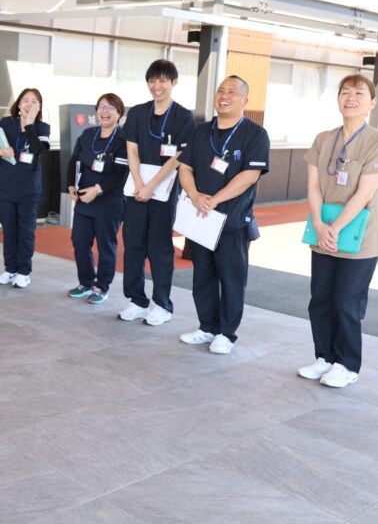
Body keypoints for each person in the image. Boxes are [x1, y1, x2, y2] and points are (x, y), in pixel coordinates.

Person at [299, 75, 378, 388]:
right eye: (344, 92)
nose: (350, 98)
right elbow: (313, 186)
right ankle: (325, 357)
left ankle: (347, 364)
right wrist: (318, 224)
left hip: (359, 237)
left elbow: (364, 193)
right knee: (320, 300)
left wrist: (334, 228)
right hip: (323, 231)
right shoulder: (323, 139)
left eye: (359, 93)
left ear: (372, 103)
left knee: (346, 303)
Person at [177, 76, 270, 355]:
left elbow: (250, 175)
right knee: (202, 275)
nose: (224, 96)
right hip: (201, 217)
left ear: (245, 100)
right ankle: (207, 326)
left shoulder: (255, 134)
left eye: (232, 91)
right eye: (220, 91)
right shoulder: (201, 131)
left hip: (232, 221)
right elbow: (185, 168)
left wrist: (214, 200)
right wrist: (195, 195)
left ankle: (226, 333)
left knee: (231, 280)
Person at [119, 59, 195, 325]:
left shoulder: (184, 116)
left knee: (160, 248)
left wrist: (151, 186)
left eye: (162, 80)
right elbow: (131, 149)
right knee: (133, 246)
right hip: (136, 190)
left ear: (174, 82)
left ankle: (162, 304)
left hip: (164, 192)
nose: (156, 86)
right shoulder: (138, 113)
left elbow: (179, 157)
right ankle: (137, 300)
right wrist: (139, 183)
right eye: (152, 80)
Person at [66, 93, 128, 304]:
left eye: (111, 107)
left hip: (109, 202)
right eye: (101, 106)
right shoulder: (88, 134)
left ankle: (101, 287)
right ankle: (85, 282)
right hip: (84, 199)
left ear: (119, 113)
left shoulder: (123, 139)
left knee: (105, 246)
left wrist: (98, 189)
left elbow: (121, 174)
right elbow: (74, 161)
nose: (105, 111)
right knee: (79, 241)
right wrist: (71, 185)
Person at [0, 88, 50, 288]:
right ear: (18, 104)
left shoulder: (42, 127)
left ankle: (24, 272)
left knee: (25, 232)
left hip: (28, 190)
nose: (29, 104)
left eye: (34, 101)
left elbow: (38, 149)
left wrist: (30, 125)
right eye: (26, 100)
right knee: (9, 230)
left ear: (39, 107)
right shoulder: (6, 123)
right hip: (6, 188)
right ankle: (10, 269)